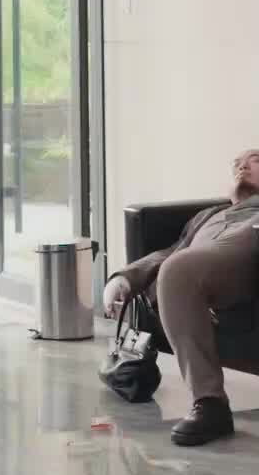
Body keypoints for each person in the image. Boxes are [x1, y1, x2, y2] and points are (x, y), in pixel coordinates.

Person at [104, 148, 259, 446]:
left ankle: (210, 402)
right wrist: (124, 278)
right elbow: (169, 253)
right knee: (177, 266)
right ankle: (210, 404)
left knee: (179, 267)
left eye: (254, 161)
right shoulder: (207, 216)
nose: (242, 167)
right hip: (200, 270)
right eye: (236, 164)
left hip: (246, 262)